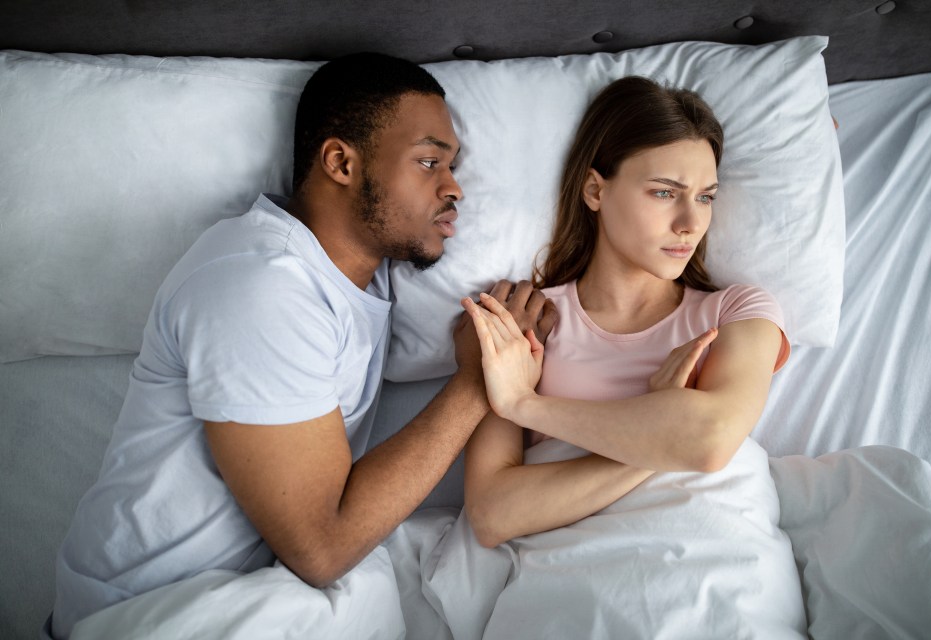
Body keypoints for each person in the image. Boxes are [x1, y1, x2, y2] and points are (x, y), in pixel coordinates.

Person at [50, 52, 556, 638]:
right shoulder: (262, 285)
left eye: (452, 165)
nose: (454, 188)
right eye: (427, 162)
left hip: (238, 597)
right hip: (153, 614)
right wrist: (476, 381)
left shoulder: (350, 280)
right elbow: (321, 547)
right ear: (341, 162)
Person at [459, 76, 791, 548]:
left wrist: (524, 405)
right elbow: (492, 514)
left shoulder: (738, 313)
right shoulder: (527, 321)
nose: (690, 223)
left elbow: (712, 441)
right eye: (664, 192)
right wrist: (659, 426)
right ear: (595, 191)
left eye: (705, 197)